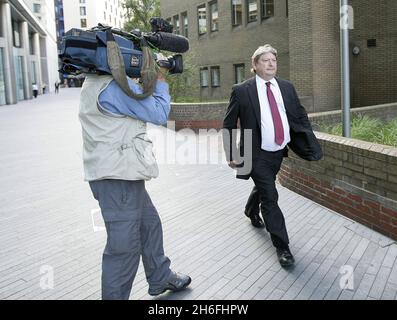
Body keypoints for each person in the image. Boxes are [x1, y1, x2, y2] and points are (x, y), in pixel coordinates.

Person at [78, 60, 191, 300]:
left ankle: (160, 276)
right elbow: (160, 113)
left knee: (150, 224)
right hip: (117, 178)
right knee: (124, 248)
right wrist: (159, 79)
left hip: (120, 173)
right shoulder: (115, 87)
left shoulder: (96, 81)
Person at [223, 44, 323, 268]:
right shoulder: (241, 90)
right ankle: (282, 247)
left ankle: (250, 209)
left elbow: (299, 114)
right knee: (270, 196)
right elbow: (228, 124)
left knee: (264, 186)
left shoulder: (286, 87)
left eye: (274, 60)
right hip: (255, 152)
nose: (271, 64)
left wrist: (306, 139)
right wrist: (230, 152)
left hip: (278, 151)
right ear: (255, 65)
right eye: (265, 60)